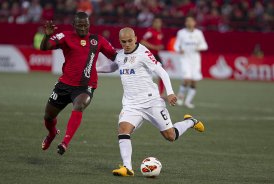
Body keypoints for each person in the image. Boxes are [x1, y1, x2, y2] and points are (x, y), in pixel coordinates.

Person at [97, 27, 205, 176]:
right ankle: (127, 168)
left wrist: (170, 92)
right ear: (120, 41)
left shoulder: (144, 53)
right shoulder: (120, 55)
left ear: (135, 38)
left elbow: (161, 72)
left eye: (130, 40)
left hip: (151, 102)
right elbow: (113, 66)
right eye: (124, 42)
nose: (127, 44)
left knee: (170, 136)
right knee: (123, 130)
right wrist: (94, 69)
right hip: (131, 105)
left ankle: (190, 121)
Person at [40, 12, 117, 155]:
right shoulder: (65, 36)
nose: (83, 28)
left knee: (79, 105)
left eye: (86, 25)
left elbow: (116, 57)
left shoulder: (98, 40)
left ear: (89, 24)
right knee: (48, 117)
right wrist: (47, 35)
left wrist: (132, 58)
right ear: (73, 25)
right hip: (64, 85)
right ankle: (51, 134)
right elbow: (44, 47)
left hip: (85, 86)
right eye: (80, 25)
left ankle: (65, 143)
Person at [174, 16, 208, 108]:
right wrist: (179, 49)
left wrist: (199, 47)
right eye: (187, 21)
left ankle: (188, 101)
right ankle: (180, 98)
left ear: (194, 23)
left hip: (195, 60)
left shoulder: (199, 33)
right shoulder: (181, 33)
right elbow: (176, 45)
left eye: (191, 21)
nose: (189, 23)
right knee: (186, 79)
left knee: (194, 81)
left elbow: (205, 45)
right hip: (185, 59)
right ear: (185, 23)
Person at [140, 17, 165, 97]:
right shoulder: (150, 32)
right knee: (146, 75)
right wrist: (155, 47)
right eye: (156, 22)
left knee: (162, 74)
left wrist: (159, 46)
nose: (158, 24)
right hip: (149, 55)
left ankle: (161, 94)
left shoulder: (160, 32)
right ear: (153, 23)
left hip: (156, 56)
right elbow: (142, 42)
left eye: (159, 22)